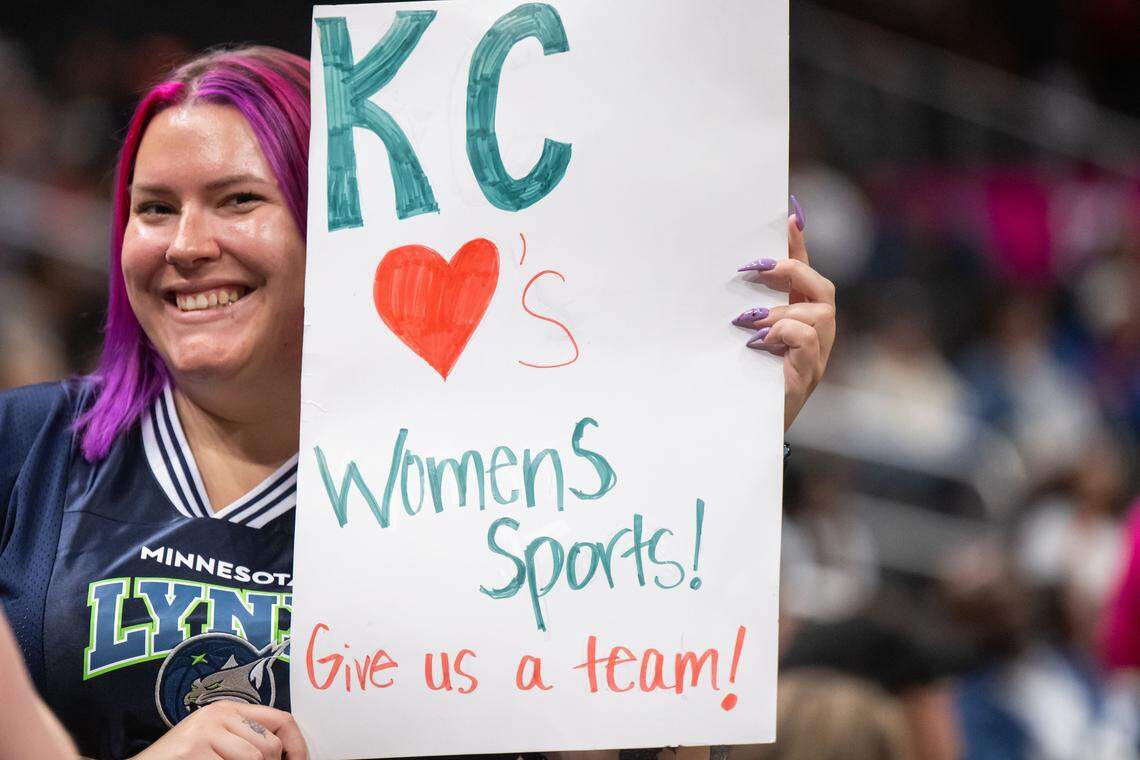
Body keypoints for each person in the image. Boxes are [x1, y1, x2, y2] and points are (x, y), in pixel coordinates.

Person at [0, 44, 836, 759]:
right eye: (154, 209)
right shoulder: (24, 447)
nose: (185, 245)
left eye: (238, 200)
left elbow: (632, 743)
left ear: (335, 224)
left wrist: (730, 448)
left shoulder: (476, 482)